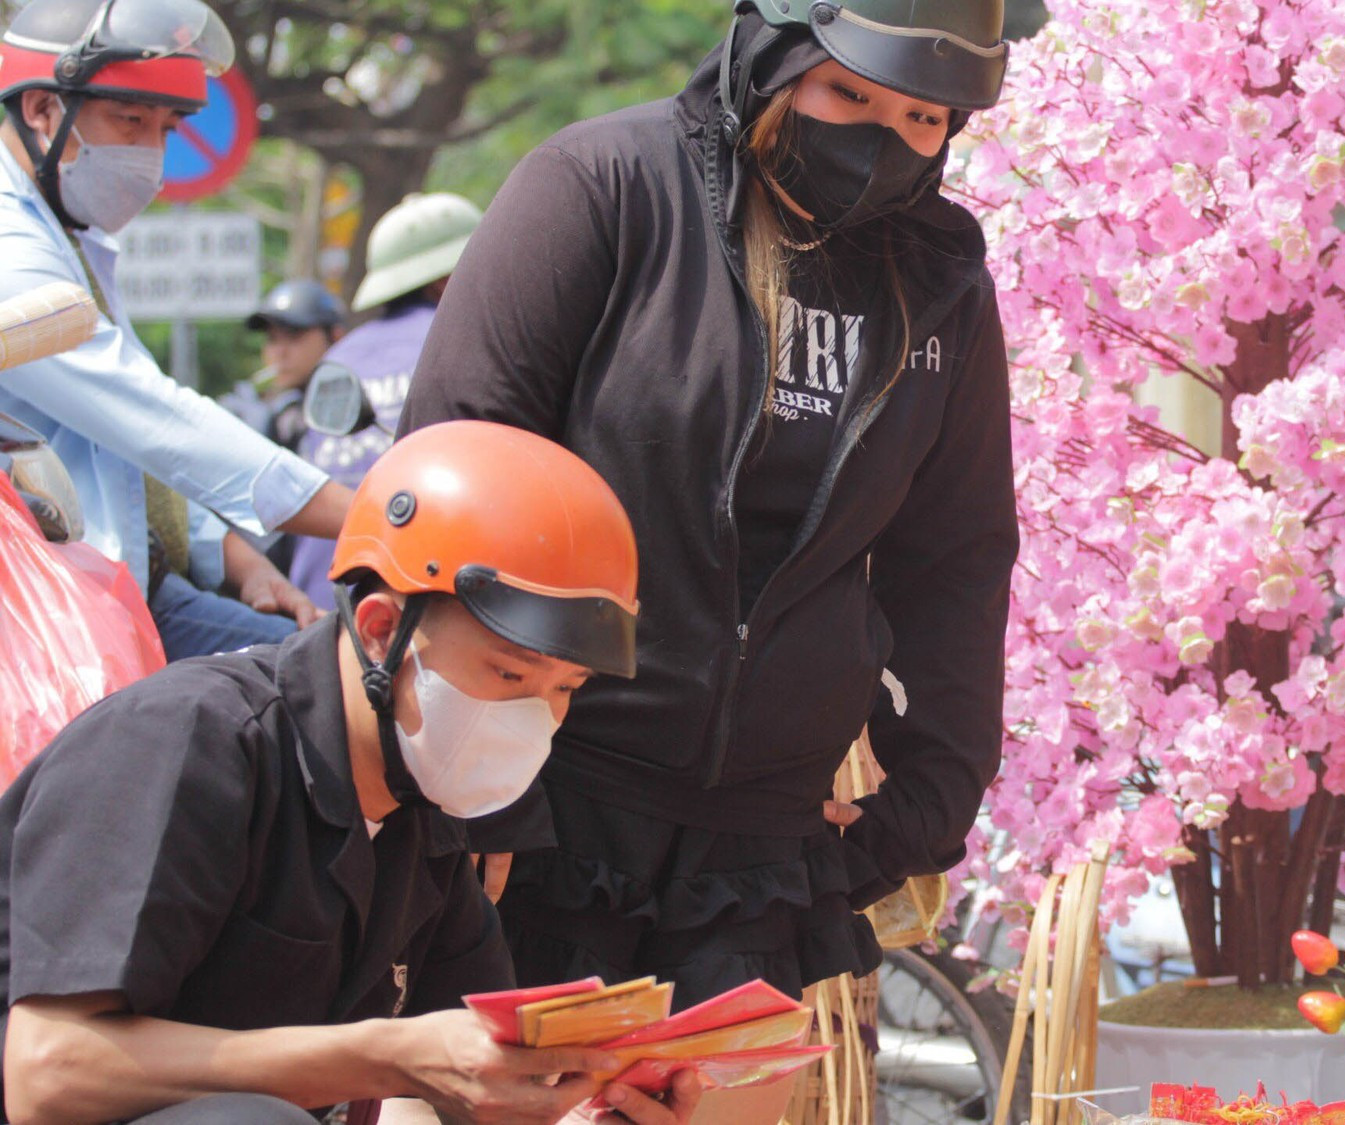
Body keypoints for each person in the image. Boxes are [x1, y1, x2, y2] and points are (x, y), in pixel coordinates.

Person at [399, 1, 1017, 1120]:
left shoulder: (939, 284)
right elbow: (461, 465)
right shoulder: (605, 189)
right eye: (848, 95)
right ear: (771, 59)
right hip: (549, 804)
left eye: (922, 119)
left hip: (759, 849)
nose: (881, 138)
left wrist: (925, 803)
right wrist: (473, 784)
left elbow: (955, 561)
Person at [0, 419, 700, 1125]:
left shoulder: (424, 814)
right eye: (509, 674)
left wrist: (578, 1108)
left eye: (566, 687)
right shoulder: (188, 741)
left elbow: (473, 1090)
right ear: (380, 629)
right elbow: (46, 1071)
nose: (534, 716)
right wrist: (388, 1056)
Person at [0, 0, 350, 661]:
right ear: (43, 109)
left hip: (135, 586)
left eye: (166, 129)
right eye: (131, 121)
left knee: (326, 669)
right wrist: (363, 512)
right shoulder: (10, 249)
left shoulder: (70, 237)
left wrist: (238, 559)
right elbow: (153, 418)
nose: (151, 156)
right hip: (51, 617)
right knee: (319, 683)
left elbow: (117, 456)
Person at [288, 191, 480, 612]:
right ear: (445, 280)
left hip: (318, 605)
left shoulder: (340, 358)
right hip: (426, 607)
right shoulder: (468, 341)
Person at [225, 278, 348, 453]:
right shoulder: (276, 413)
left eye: (293, 336)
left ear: (335, 337)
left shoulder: (354, 404)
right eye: (272, 339)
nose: (280, 353)